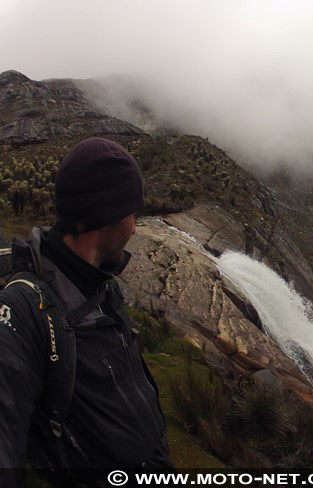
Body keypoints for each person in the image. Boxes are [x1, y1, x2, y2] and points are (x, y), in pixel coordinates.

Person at [0, 137, 173, 487]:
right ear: (104, 217)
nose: (135, 227)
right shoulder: (23, 310)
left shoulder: (99, 280)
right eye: (131, 213)